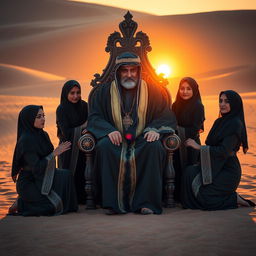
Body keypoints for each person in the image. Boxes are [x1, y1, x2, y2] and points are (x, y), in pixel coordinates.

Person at [87, 52, 177, 215]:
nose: (129, 75)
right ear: (118, 72)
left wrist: (154, 130)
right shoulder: (104, 92)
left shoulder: (154, 91)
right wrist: (109, 130)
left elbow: (166, 114)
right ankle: (114, 204)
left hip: (143, 138)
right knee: (105, 146)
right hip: (116, 139)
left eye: (133, 70)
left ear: (138, 71)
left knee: (154, 147)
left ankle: (146, 203)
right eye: (125, 71)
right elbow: (94, 116)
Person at [181, 90, 255, 210]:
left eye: (227, 101)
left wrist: (198, 147)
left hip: (228, 171)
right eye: (220, 101)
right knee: (189, 173)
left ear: (234, 104)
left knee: (206, 198)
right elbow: (211, 144)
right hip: (214, 166)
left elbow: (224, 151)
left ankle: (234, 198)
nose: (222, 104)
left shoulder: (235, 124)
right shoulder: (219, 122)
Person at [10, 105, 78, 216]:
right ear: (29, 119)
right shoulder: (26, 140)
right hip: (29, 182)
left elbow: (47, 159)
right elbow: (36, 167)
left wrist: (54, 154)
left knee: (66, 175)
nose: (43, 119)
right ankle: (21, 203)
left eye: (43, 116)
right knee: (51, 207)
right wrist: (54, 154)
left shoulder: (43, 134)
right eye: (38, 117)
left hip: (43, 176)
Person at [172, 77, 205, 201]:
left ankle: (187, 198)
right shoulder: (175, 105)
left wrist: (177, 128)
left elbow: (195, 129)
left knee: (188, 171)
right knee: (176, 170)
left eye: (188, 89)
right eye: (182, 88)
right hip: (176, 144)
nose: (184, 91)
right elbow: (171, 122)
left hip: (190, 145)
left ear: (194, 90)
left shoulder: (198, 107)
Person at [56, 80, 88, 204]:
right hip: (68, 148)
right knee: (69, 176)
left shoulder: (84, 106)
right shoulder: (62, 109)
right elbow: (66, 133)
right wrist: (84, 126)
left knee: (83, 175)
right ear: (66, 94)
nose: (75, 96)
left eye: (78, 92)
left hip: (84, 148)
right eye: (72, 93)